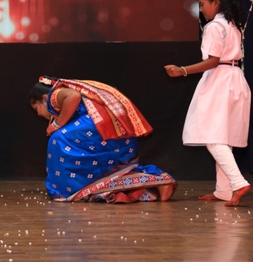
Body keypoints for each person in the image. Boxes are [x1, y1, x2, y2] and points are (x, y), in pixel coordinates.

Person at [165, 0, 251, 207]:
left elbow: (213, 61)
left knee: (213, 137)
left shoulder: (214, 27)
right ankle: (223, 190)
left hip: (220, 80)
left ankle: (238, 182)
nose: (201, 9)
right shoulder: (232, 24)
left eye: (203, 4)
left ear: (216, 2)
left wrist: (182, 70)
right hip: (234, 78)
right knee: (223, 137)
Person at [29, 77, 177, 203]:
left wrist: (57, 124)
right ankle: (157, 181)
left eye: (37, 109)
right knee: (104, 171)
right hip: (109, 129)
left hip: (100, 125)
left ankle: (68, 189)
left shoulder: (55, 95)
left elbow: (73, 96)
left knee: (58, 139)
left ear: (44, 98)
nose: (39, 115)